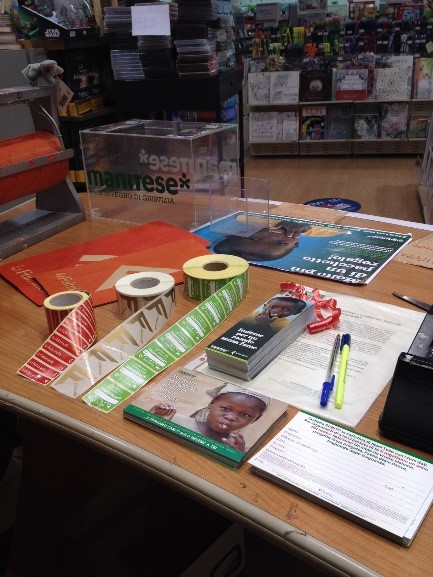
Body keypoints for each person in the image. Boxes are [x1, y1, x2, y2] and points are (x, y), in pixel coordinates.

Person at [149, 385, 270, 453]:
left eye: (245, 415)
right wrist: (152, 420)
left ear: (255, 419)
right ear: (212, 403)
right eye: (225, 409)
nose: (230, 417)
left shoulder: (240, 451)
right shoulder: (175, 421)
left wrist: (237, 457)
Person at [213, 220, 311, 261]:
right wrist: (300, 221)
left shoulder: (245, 219)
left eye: (253, 239)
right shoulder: (312, 232)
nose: (271, 237)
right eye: (280, 243)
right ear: (296, 243)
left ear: (240, 232)